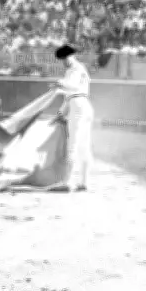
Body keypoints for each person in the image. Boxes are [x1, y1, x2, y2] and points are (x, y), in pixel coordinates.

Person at [51, 44, 93, 192]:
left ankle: (67, 182)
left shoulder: (75, 68)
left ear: (71, 56)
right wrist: (61, 113)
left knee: (73, 144)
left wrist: (59, 83)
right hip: (83, 105)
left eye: (65, 58)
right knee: (84, 146)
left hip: (78, 106)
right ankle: (84, 182)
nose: (64, 61)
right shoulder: (77, 68)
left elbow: (73, 87)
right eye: (62, 59)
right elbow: (71, 95)